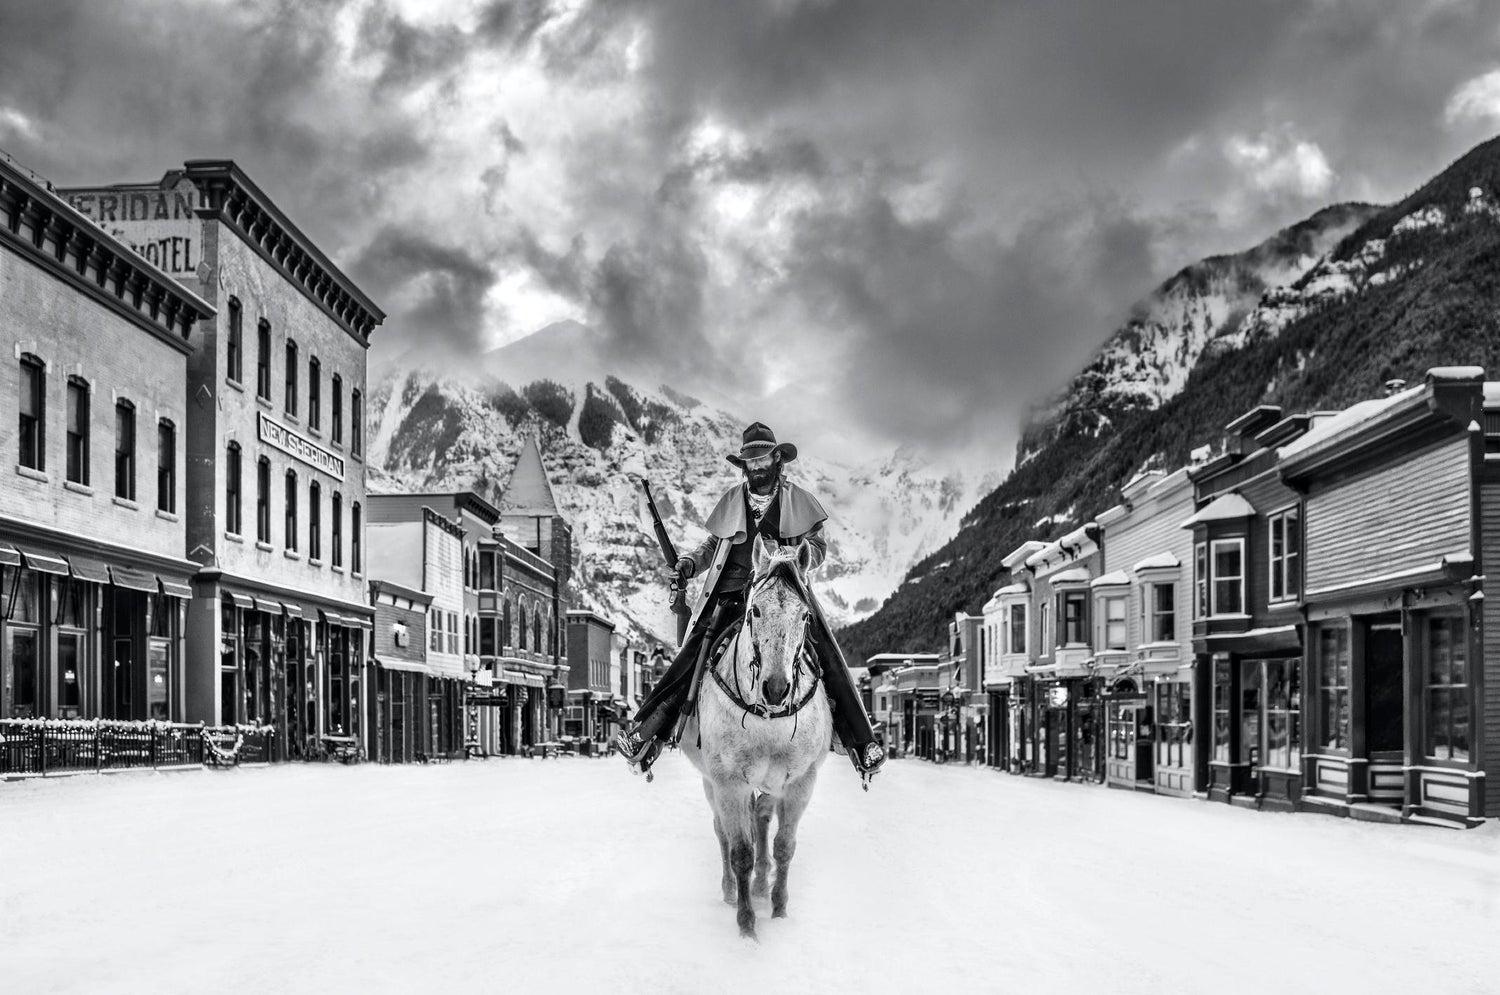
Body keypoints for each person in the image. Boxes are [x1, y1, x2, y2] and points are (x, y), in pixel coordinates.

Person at [616, 422, 886, 782]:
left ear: (777, 459)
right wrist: (690, 563)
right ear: (744, 464)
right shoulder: (732, 500)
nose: (756, 467)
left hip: (784, 591)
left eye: (762, 459)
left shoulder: (797, 500)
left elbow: (818, 547)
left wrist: (798, 556)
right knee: (691, 653)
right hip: (731, 593)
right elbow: (713, 546)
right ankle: (646, 731)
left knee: (829, 653)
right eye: (750, 461)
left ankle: (862, 741)